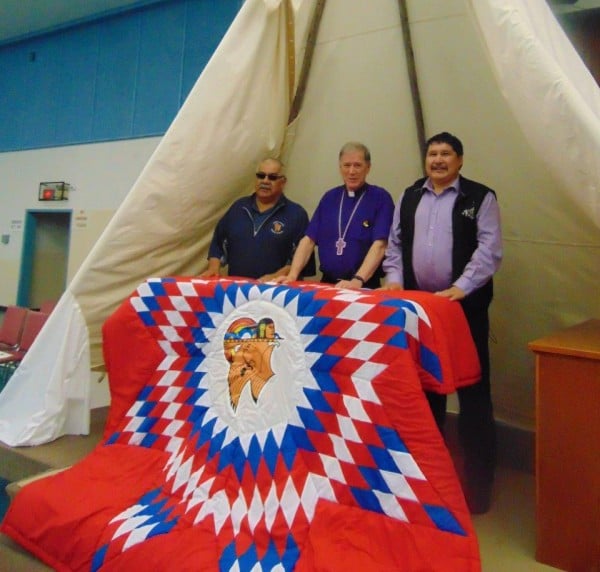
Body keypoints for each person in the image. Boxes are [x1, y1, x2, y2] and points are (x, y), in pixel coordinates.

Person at [382, 131, 503, 514]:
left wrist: (460, 288)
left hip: (462, 310)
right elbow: (395, 245)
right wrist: (395, 280)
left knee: (473, 394)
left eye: (446, 154)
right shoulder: (410, 195)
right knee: (425, 392)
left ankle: (478, 490)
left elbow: (490, 250)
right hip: (419, 310)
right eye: (432, 154)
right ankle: (429, 485)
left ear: (460, 160)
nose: (437, 160)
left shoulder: (480, 197)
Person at [278, 142, 394, 289]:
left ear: (368, 167)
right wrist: (292, 276)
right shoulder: (329, 198)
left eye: (357, 165)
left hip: (362, 285)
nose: (352, 171)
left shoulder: (380, 198)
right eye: (346, 165)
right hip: (328, 283)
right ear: (340, 167)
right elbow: (308, 240)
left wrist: (358, 280)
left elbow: (381, 244)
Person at [200, 158, 315, 280]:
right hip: (238, 291)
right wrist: (213, 268)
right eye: (261, 176)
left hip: (277, 291)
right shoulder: (238, 208)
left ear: (283, 182)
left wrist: (274, 277)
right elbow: (218, 243)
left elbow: (301, 259)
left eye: (272, 177)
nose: (265, 181)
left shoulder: (296, 214)